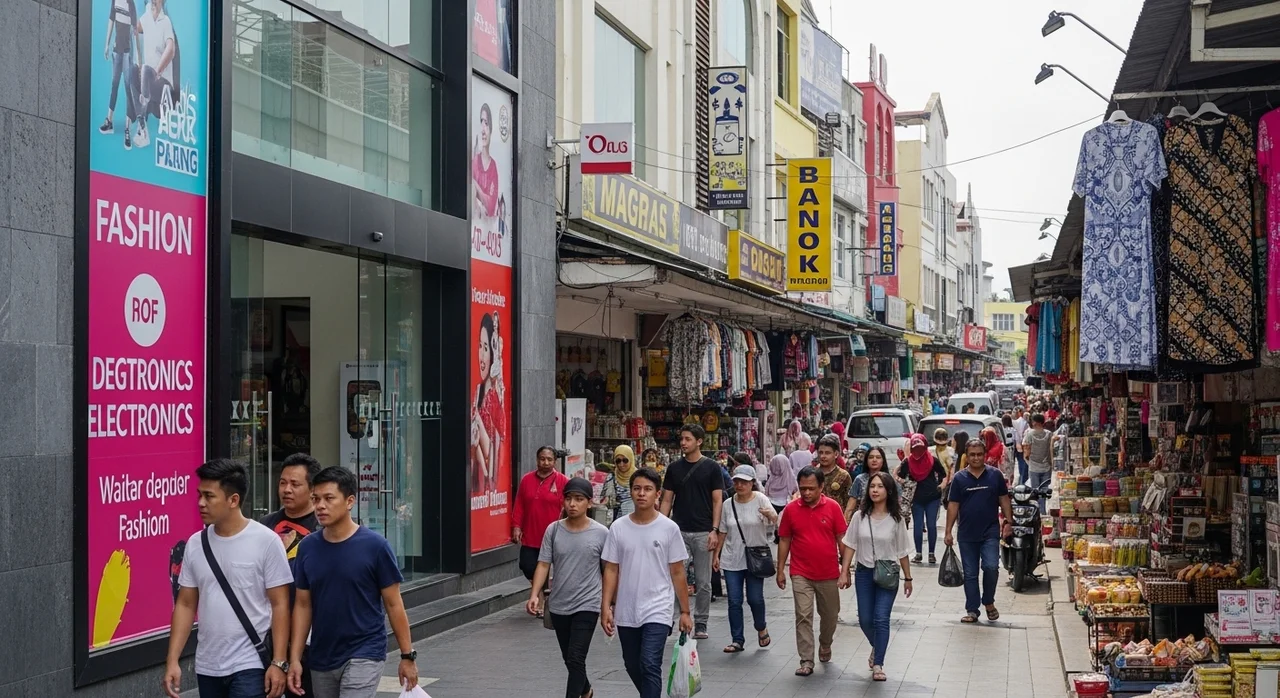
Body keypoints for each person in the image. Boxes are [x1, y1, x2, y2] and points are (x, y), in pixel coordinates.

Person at [163, 459, 293, 698]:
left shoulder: (266, 541)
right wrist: (173, 660)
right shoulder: (195, 544)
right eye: (199, 495)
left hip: (250, 662)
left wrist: (279, 662)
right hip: (208, 665)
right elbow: (185, 604)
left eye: (209, 496)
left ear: (234, 500)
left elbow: (280, 604)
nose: (201, 503)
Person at [287, 467, 418, 698]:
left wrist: (407, 656)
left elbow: (393, 603)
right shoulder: (307, 547)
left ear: (349, 502)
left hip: (364, 651)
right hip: (322, 655)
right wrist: (295, 658)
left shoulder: (375, 546)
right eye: (316, 499)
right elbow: (303, 605)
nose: (320, 506)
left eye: (328, 498)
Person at [601, 468, 692, 698]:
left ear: (657, 494)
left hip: (658, 607)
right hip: (626, 608)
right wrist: (606, 607)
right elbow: (611, 568)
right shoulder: (618, 528)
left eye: (648, 489)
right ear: (631, 492)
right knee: (632, 664)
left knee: (649, 662)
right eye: (637, 488)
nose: (642, 493)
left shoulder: (669, 528)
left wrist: (685, 611)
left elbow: (678, 572)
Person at [526, 477, 609, 698]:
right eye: (568, 499)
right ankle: (587, 690)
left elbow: (608, 571)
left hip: (588, 604)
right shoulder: (553, 530)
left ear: (589, 503)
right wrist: (535, 595)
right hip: (560, 605)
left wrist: (608, 605)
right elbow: (543, 564)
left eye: (579, 499)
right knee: (570, 658)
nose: (572, 504)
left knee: (575, 657)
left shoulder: (602, 533)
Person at [839, 471, 913, 682]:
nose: (875, 490)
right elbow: (850, 545)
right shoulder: (858, 517)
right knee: (864, 619)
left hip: (888, 573)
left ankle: (878, 663)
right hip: (864, 572)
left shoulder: (896, 519)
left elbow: (902, 551)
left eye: (880, 486)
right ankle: (877, 645)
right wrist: (844, 571)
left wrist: (908, 578)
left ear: (888, 491)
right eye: (872, 486)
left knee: (881, 619)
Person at [259, 453, 323, 698]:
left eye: (295, 484)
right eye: (282, 483)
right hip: (268, 633)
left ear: (311, 488)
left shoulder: (324, 527)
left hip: (310, 636)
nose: (286, 489)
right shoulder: (264, 526)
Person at [777, 466, 849, 677]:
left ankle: (825, 643)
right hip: (800, 571)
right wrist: (780, 569)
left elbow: (841, 539)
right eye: (803, 489)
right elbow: (784, 540)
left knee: (830, 615)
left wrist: (845, 569)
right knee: (803, 615)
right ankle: (806, 660)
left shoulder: (833, 507)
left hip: (828, 572)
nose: (806, 493)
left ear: (821, 487)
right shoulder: (791, 510)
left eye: (811, 489)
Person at [659, 424, 723, 640]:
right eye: (682, 439)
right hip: (678, 530)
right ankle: (677, 618)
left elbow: (717, 500)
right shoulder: (674, 469)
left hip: (704, 531)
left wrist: (714, 529)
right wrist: (660, 525)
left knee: (704, 582)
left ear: (699, 441)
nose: (683, 443)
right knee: (678, 576)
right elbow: (667, 499)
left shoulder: (712, 468)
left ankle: (702, 622)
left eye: (687, 439)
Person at [944, 439, 1013, 624]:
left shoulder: (995, 475)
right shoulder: (959, 478)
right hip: (967, 534)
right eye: (972, 454)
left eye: (979, 454)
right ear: (967, 455)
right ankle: (972, 610)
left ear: (985, 455)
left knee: (991, 567)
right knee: (971, 573)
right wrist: (948, 531)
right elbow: (953, 505)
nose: (976, 458)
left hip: (990, 531)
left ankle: (989, 601)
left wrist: (1009, 521)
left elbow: (1004, 499)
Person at [713, 465, 778, 653]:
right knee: (734, 600)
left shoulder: (760, 499)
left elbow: (775, 520)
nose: (740, 485)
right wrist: (716, 555)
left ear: (752, 483)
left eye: (744, 482)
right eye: (736, 481)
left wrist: (770, 515)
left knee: (755, 599)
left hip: (755, 557)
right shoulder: (728, 504)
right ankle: (737, 639)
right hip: (732, 557)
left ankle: (761, 626)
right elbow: (723, 531)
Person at [513, 445, 571, 608]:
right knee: (526, 565)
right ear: (537, 460)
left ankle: (543, 599)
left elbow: (571, 506)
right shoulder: (526, 479)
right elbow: (519, 504)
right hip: (531, 533)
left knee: (551, 567)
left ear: (555, 461)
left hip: (554, 533)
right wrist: (516, 526)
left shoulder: (563, 482)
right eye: (542, 459)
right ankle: (539, 593)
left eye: (549, 459)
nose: (545, 462)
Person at [127, 0, 178, 149]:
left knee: (146, 70)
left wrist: (157, 70)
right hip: (147, 80)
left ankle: (142, 126)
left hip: (163, 84)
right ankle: (141, 123)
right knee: (132, 70)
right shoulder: (147, 17)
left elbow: (171, 49)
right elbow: (135, 28)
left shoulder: (165, 22)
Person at [896, 434, 948, 564]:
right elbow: (898, 475)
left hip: (932, 497)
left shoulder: (932, 460)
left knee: (931, 525)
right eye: (915, 448)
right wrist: (905, 482)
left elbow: (943, 474)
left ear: (925, 447)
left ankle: (931, 553)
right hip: (916, 499)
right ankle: (918, 553)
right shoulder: (907, 462)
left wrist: (941, 486)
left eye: (920, 448)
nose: (918, 451)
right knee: (918, 526)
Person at [472, 313, 506, 494]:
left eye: (486, 347)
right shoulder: (475, 393)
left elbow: (492, 454)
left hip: (485, 488)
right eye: (480, 346)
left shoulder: (494, 399)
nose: (482, 355)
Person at [99, 0, 140, 148]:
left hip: (127, 54)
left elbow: (135, 33)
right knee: (114, 85)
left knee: (128, 88)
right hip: (116, 52)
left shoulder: (131, 4)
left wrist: (138, 58)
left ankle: (127, 128)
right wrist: (106, 44)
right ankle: (109, 121)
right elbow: (111, 20)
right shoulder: (115, 1)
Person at [813, 434, 855, 521]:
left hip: (835, 521)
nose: (823, 456)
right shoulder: (812, 474)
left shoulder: (843, 476)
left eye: (827, 453)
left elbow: (849, 503)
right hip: (814, 519)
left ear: (836, 454)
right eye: (821, 453)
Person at [1022, 414, 1054, 513]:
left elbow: (1026, 451)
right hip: (1046, 467)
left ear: (1035, 422)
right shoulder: (1049, 434)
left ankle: (1036, 513)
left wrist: (1028, 461)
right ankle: (1043, 512)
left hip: (1033, 467)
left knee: (1035, 492)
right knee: (1044, 492)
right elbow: (1052, 449)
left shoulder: (1029, 434)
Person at [604, 444, 637, 520]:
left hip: (636, 517)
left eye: (625, 460)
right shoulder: (611, 477)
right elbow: (605, 499)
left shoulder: (639, 477)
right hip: (618, 519)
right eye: (618, 461)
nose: (621, 464)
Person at [1011, 407, 1029, 485]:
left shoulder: (1016, 422)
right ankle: (1022, 481)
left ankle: (1022, 481)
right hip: (1021, 446)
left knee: (1021, 463)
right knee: (1022, 463)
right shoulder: (1023, 423)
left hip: (1018, 446)